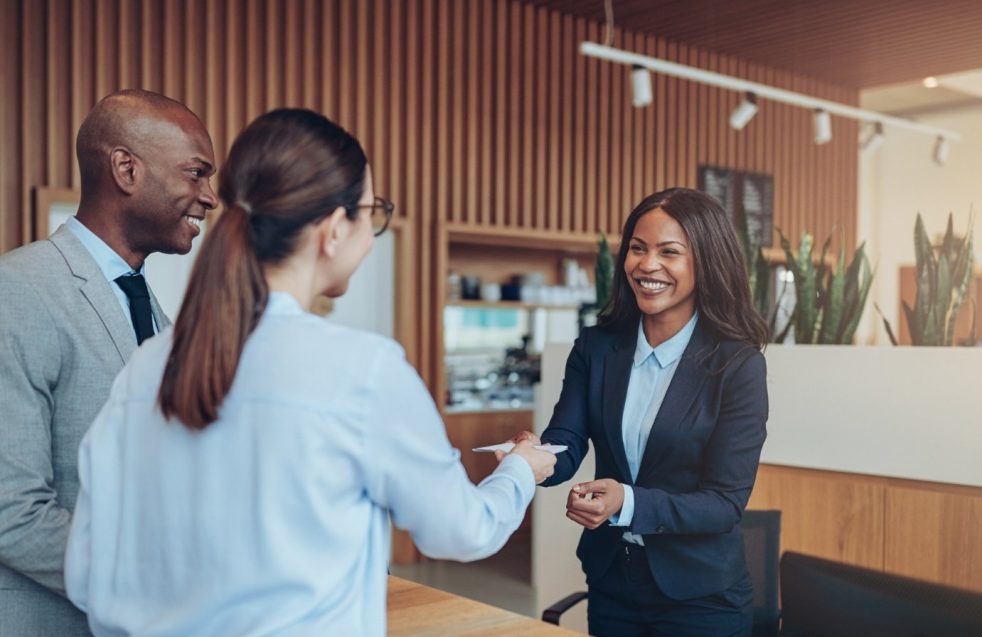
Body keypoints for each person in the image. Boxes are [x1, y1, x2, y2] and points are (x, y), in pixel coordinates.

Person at [64, 108, 556, 636]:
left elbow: (88, 573)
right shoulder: (363, 371)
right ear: (333, 229)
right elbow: (462, 530)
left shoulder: (146, 367)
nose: (371, 234)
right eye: (371, 212)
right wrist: (522, 470)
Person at [0, 89, 218, 636]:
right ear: (126, 168)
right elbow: (10, 511)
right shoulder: (18, 290)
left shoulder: (153, 312)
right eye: (196, 173)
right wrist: (161, 581)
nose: (209, 197)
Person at [521, 187, 769, 636]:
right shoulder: (596, 348)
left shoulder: (736, 365)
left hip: (701, 597)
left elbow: (724, 504)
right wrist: (534, 460)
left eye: (669, 252)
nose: (647, 265)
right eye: (638, 248)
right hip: (613, 580)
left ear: (705, 262)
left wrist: (627, 501)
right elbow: (568, 439)